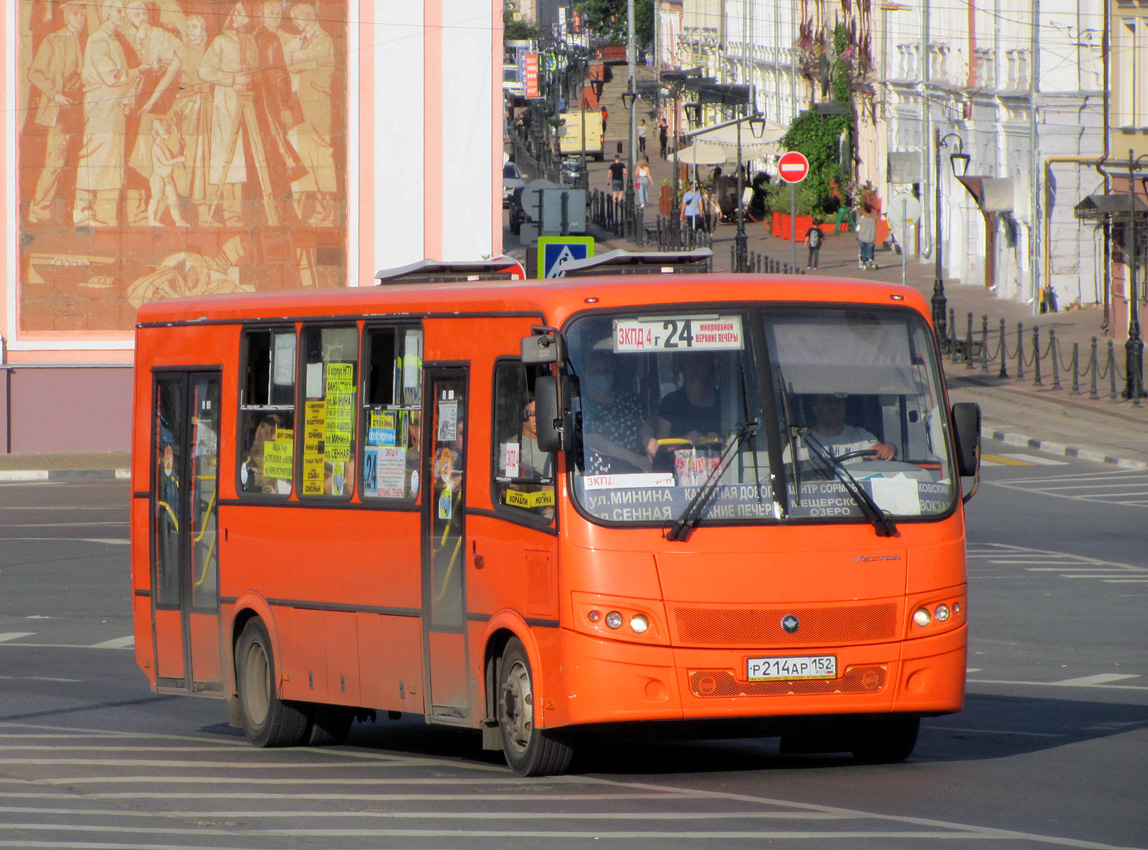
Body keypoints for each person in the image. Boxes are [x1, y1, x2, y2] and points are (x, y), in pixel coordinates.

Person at [26, 0, 86, 226]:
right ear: (67, 17)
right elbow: (35, 72)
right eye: (75, 15)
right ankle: (39, 211)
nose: (80, 19)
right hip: (60, 109)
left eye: (83, 15)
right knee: (55, 162)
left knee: (77, 161)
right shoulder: (53, 41)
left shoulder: (85, 41)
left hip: (80, 109)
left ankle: (70, 215)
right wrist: (55, 95)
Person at [580, 348, 657, 475]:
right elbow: (592, 439)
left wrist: (649, 443)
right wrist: (631, 457)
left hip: (636, 471)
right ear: (585, 374)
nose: (602, 374)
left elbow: (644, 425)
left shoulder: (627, 398)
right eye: (596, 371)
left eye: (606, 370)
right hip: (600, 476)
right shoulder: (582, 403)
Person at [794, 393, 895, 463]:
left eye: (838, 402)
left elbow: (878, 451)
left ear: (844, 407)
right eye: (827, 402)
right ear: (815, 409)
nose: (833, 406)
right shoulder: (802, 442)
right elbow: (787, 475)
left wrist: (889, 447)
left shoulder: (859, 436)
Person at [655, 353, 722, 443]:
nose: (694, 367)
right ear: (681, 368)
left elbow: (736, 436)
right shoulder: (671, 402)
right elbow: (660, 444)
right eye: (688, 362)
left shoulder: (725, 401)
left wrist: (721, 439)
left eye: (699, 361)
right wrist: (685, 439)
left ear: (708, 365)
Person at [147, 117, 188, 226]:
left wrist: (181, 148)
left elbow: (172, 158)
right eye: (165, 131)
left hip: (167, 178)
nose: (168, 133)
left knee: (173, 200)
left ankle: (178, 220)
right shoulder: (156, 146)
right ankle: (151, 220)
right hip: (158, 178)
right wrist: (180, 159)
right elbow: (165, 162)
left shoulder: (163, 145)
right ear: (157, 133)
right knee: (156, 199)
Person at [857, 204, 878, 270]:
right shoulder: (873, 219)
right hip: (871, 237)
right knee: (870, 251)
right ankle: (870, 261)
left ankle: (864, 264)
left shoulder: (862, 218)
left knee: (863, 251)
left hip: (862, 237)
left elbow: (857, 225)